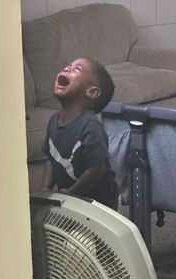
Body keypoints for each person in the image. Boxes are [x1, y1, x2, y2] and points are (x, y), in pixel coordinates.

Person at [41, 58, 118, 209]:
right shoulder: (53, 121)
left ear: (92, 92)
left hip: (99, 204)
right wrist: (45, 189)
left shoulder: (90, 127)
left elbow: (97, 168)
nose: (67, 68)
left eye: (77, 69)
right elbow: (50, 159)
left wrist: (73, 193)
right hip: (69, 199)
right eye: (68, 65)